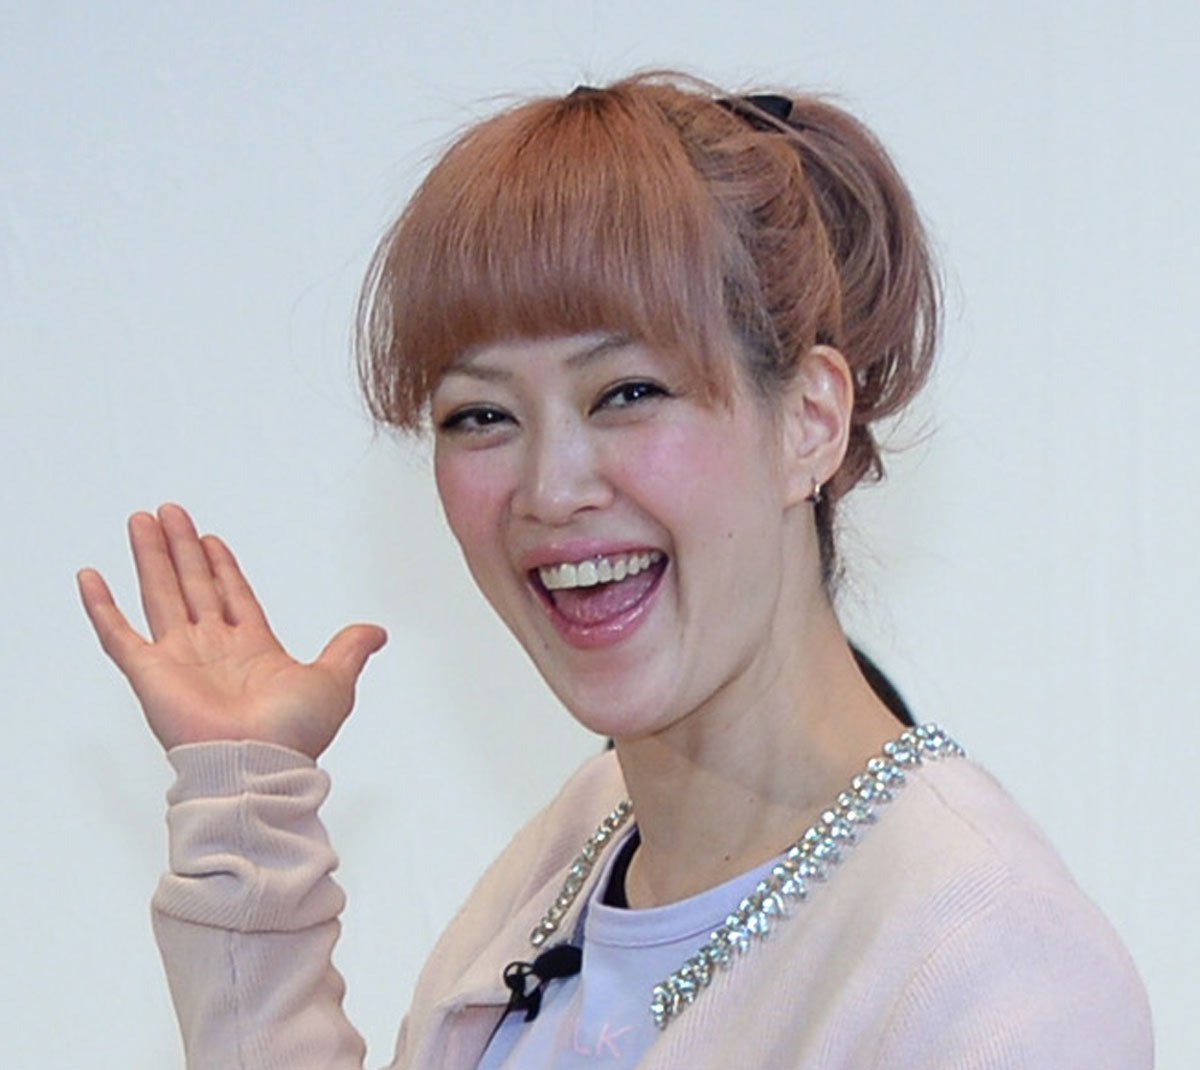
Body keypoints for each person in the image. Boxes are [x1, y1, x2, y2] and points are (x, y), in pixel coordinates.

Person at [77, 73, 1152, 1068]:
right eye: (480, 414)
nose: (550, 488)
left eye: (629, 393)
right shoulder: (589, 833)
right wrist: (247, 813)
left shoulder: (996, 969)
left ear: (810, 421)